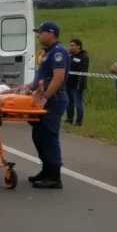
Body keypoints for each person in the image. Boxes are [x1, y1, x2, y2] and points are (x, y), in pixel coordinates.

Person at [27, 21, 69, 189]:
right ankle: (45, 170)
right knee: (39, 135)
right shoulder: (48, 52)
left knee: (49, 136)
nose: (38, 36)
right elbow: (42, 77)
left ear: (51, 33)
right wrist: (28, 86)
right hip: (45, 98)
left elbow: (58, 79)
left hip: (53, 99)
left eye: (41, 32)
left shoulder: (59, 52)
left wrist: (44, 98)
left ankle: (54, 176)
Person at [66, 39, 89, 126]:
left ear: (78, 46)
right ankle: (69, 119)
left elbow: (83, 70)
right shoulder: (70, 55)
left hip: (78, 83)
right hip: (69, 82)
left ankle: (79, 121)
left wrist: (81, 84)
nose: (71, 47)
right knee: (69, 102)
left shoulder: (83, 56)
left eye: (73, 45)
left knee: (78, 103)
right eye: (70, 45)